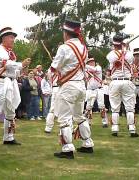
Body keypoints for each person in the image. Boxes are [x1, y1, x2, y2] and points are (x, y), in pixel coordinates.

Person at [51, 19, 94, 159]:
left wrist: (51, 75)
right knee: (79, 116)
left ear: (66, 33)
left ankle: (67, 149)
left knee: (64, 118)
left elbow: (54, 68)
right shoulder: (84, 48)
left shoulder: (64, 48)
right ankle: (87, 143)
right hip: (81, 86)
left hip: (69, 86)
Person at [0, 27, 31, 151]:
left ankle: (8, 137)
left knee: (11, 111)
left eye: (13, 37)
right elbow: (6, 63)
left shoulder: (11, 53)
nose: (13, 39)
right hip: (1, 82)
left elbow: (13, 70)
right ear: (3, 38)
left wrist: (22, 68)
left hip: (10, 82)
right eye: (11, 37)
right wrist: (21, 64)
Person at [106, 34, 139, 137]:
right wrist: (126, 48)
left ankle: (115, 129)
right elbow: (130, 59)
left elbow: (114, 56)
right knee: (129, 107)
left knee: (115, 107)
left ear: (114, 44)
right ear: (122, 43)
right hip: (127, 82)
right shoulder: (129, 54)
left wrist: (124, 47)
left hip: (115, 82)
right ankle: (132, 129)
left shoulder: (110, 54)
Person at [84, 57, 109, 128]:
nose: (92, 63)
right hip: (89, 90)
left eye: (93, 61)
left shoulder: (98, 67)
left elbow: (94, 70)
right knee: (88, 106)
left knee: (101, 106)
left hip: (99, 89)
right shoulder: (86, 70)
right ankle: (87, 122)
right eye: (90, 62)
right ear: (88, 63)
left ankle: (105, 122)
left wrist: (84, 65)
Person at [44, 69, 59, 133]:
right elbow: (49, 75)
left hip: (61, 88)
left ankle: (66, 128)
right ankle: (48, 128)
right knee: (52, 109)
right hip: (56, 88)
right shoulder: (51, 70)